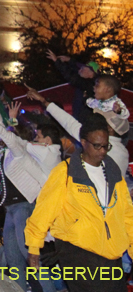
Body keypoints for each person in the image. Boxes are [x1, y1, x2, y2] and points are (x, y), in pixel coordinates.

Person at [26, 114, 133, 292]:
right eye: (97, 146)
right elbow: (44, 210)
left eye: (106, 146)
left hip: (111, 252)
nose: (102, 151)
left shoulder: (114, 173)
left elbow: (127, 214)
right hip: (77, 251)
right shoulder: (65, 172)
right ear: (83, 142)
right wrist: (34, 246)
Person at [0, 86, 61, 292]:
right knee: (15, 261)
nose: (4, 135)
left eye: (9, 131)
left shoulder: (21, 151)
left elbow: (5, 132)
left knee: (30, 257)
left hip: (25, 207)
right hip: (11, 210)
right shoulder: (8, 154)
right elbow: (1, 130)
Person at [26, 85, 129, 177]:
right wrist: (43, 100)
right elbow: (69, 122)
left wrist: (43, 101)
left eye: (101, 119)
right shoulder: (113, 147)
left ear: (110, 128)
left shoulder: (112, 150)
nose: (96, 120)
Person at [46, 49, 98, 119]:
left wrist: (57, 61)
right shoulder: (86, 82)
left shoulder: (88, 85)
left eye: (83, 69)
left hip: (84, 120)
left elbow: (71, 76)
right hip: (79, 117)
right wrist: (69, 60)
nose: (80, 70)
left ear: (91, 73)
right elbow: (75, 70)